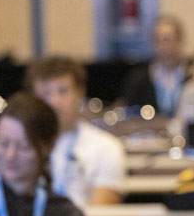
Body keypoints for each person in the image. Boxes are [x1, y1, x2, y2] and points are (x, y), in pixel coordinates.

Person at [28, 56, 126, 207]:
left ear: (80, 92)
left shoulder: (106, 147)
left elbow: (102, 215)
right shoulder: (21, 147)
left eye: (63, 91)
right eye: (45, 94)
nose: (54, 102)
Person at [118, 14, 191, 118]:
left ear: (180, 41)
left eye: (167, 40)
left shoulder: (193, 75)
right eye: (157, 40)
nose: (162, 46)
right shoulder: (138, 78)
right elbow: (126, 112)